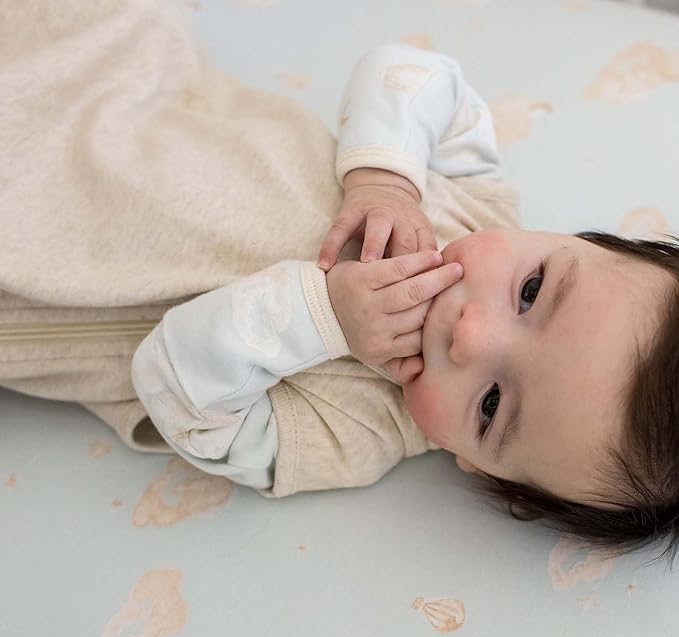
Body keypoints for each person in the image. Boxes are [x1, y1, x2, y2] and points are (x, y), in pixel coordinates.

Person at [128, 43, 679, 567]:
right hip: (155, 91)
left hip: (83, 268)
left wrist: (322, 316)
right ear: (574, 239)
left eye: (491, 405)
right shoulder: (476, 201)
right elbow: (415, 73)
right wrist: (386, 181)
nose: (470, 335)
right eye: (530, 292)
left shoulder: (354, 434)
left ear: (480, 468)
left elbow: (174, 396)